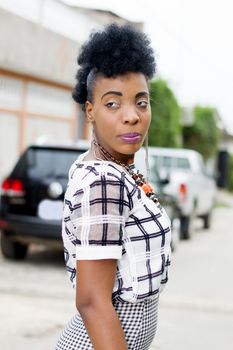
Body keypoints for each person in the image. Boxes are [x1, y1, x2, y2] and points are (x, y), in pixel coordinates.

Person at [55, 23, 171, 350]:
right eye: (113, 103)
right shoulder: (104, 180)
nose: (131, 116)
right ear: (90, 111)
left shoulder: (119, 170)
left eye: (141, 102)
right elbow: (92, 302)